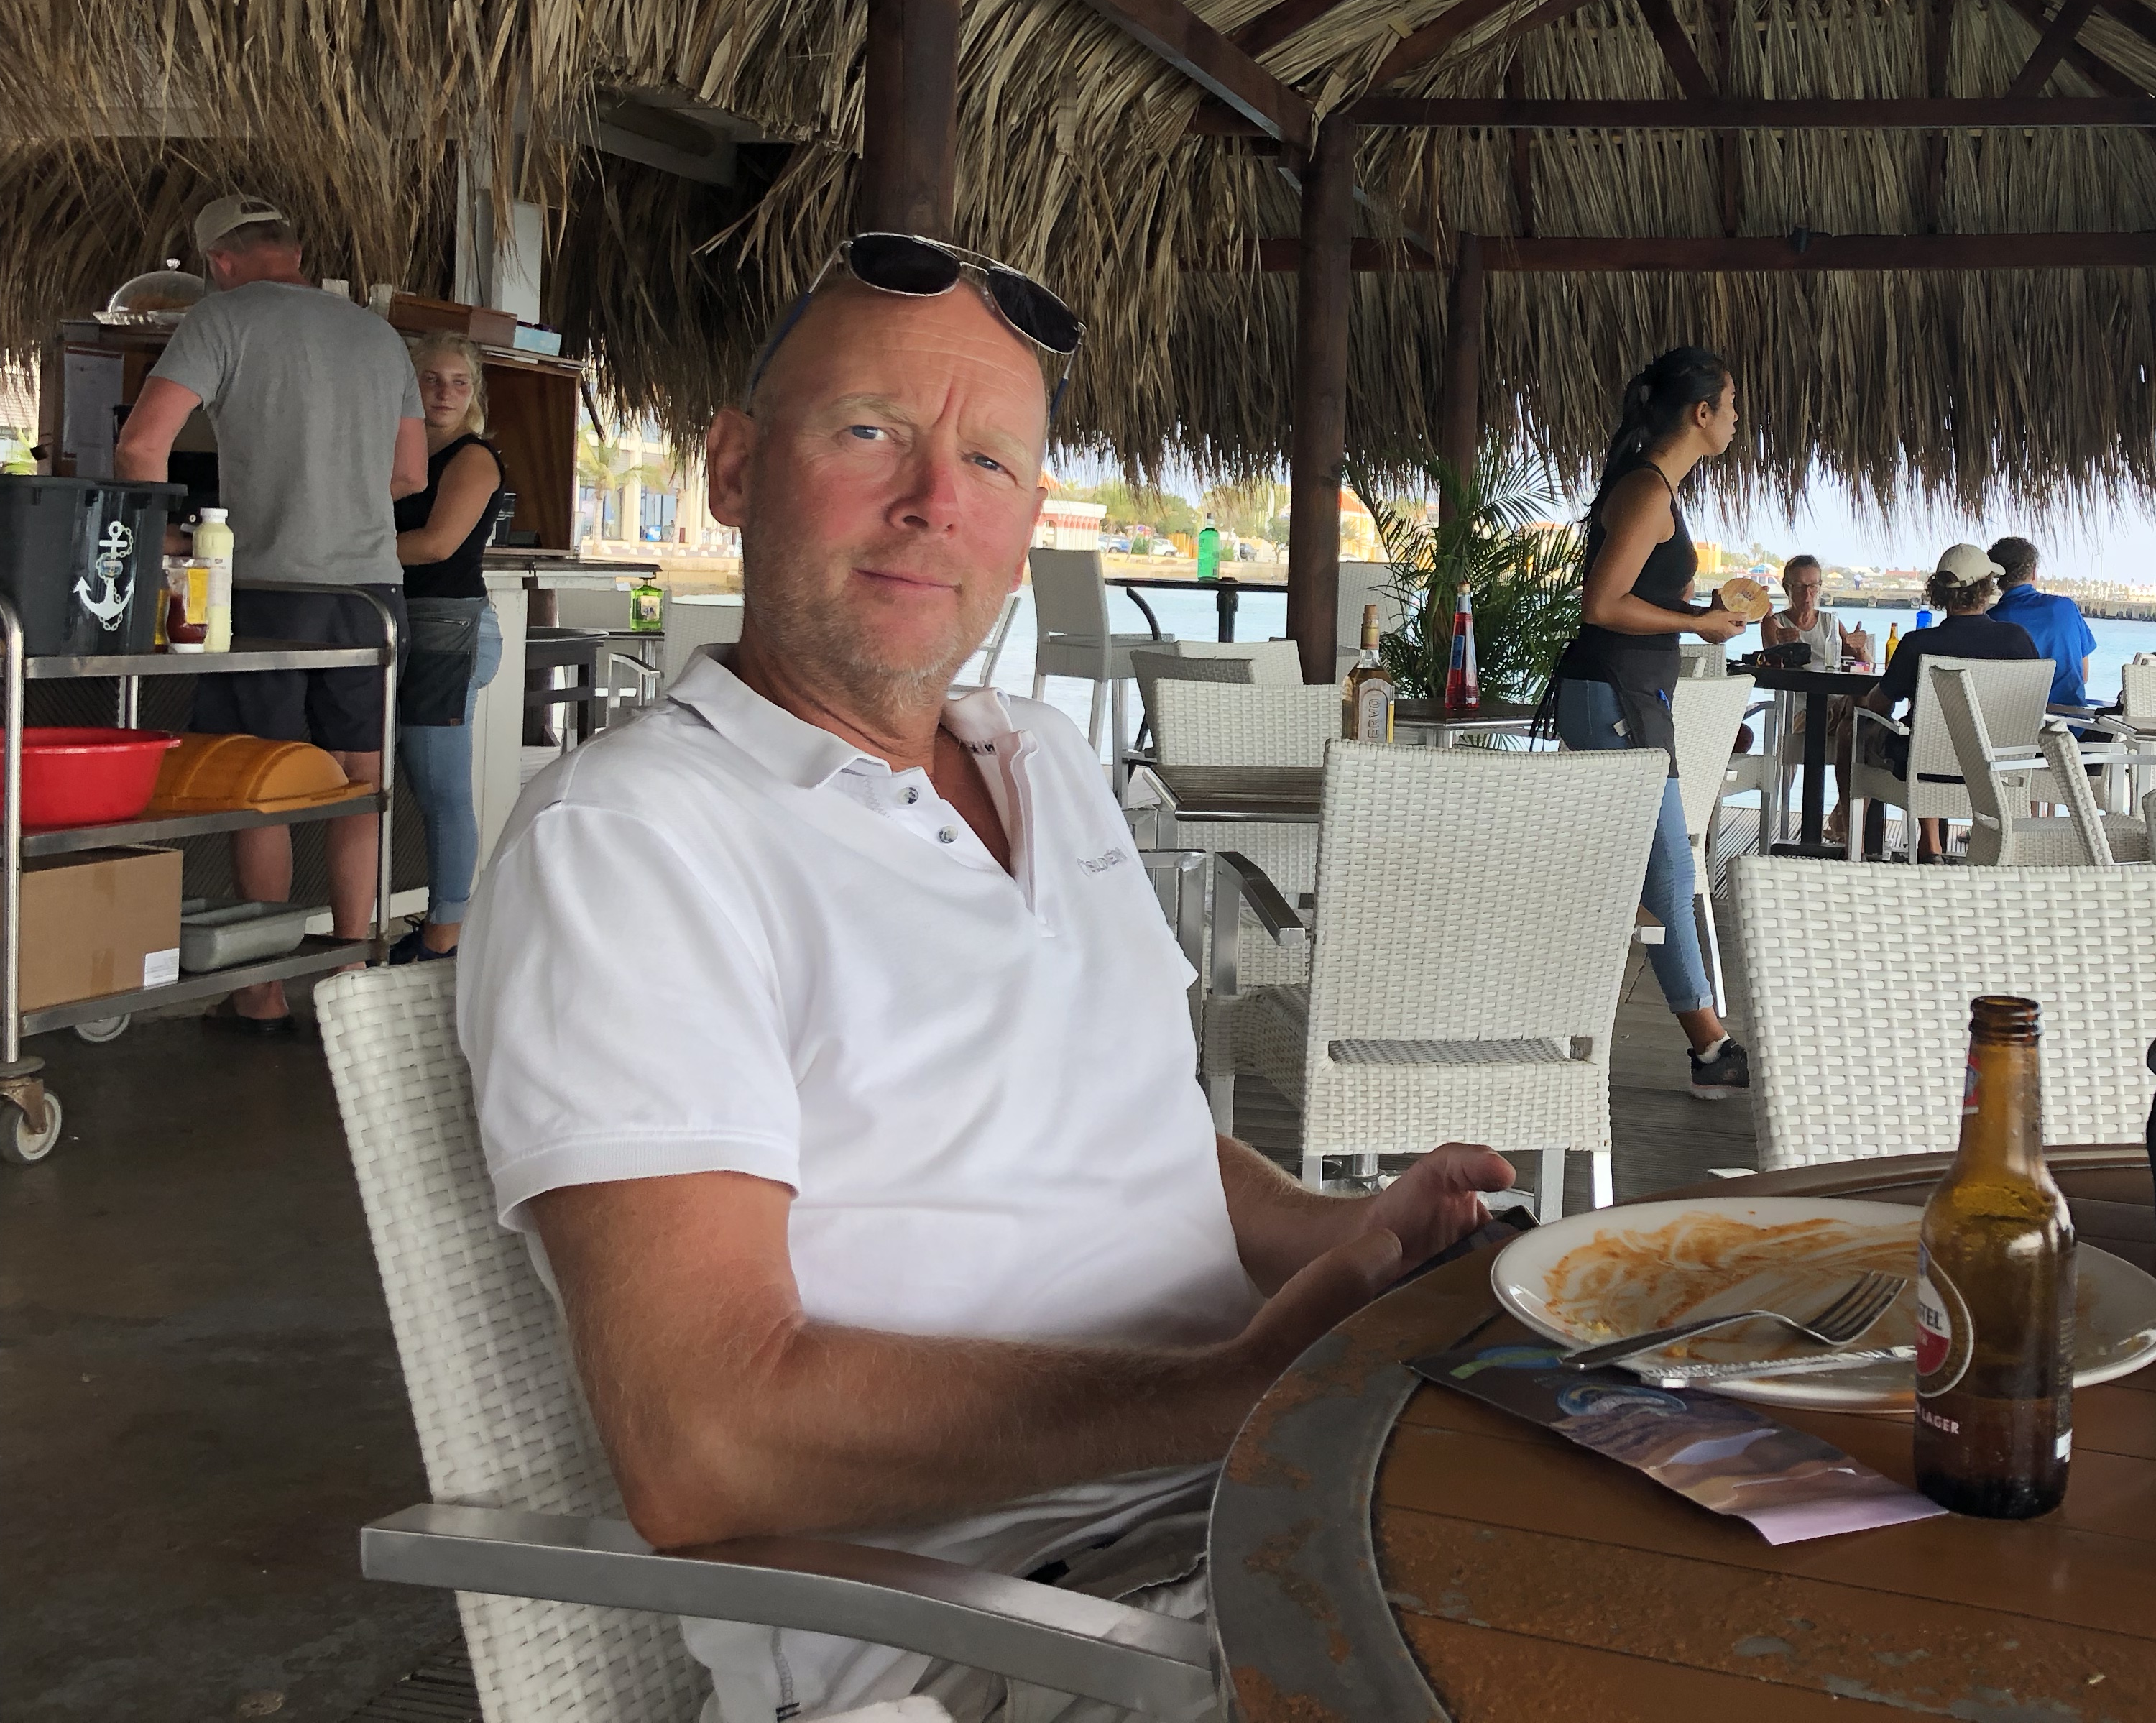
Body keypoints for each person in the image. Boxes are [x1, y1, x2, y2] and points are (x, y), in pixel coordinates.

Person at [460, 233, 1508, 1723]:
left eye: (991, 461)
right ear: (737, 470)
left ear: (1022, 529)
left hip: (1269, 1499)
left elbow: (1125, 1126)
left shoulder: (1048, 759)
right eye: (869, 431)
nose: (932, 501)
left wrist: (1350, 1232)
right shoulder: (634, 839)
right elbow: (706, 1443)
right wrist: (1225, 1385)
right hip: (996, 1635)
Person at [114, 194, 424, 1033]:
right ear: (295, 252)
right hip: (369, 596)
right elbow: (409, 473)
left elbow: (141, 445)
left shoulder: (222, 318)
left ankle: (261, 991)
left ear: (218, 262)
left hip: (262, 592)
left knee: (264, 781)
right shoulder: (378, 335)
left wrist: (166, 540)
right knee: (360, 784)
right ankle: (354, 973)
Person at [1541, 347, 1760, 1098]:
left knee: (1633, 867)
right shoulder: (1646, 490)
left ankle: (1571, 1017)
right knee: (1667, 868)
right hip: (1613, 695)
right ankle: (1711, 1048)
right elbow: (1602, 605)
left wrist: (1699, 613)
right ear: (1701, 413)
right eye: (1731, 404)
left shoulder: (1659, 488)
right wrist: (1696, 624)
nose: (1737, 418)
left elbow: (1638, 597)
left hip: (1627, 695)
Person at [390, 334, 507, 961]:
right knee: (411, 783)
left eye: (459, 382)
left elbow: (437, 545)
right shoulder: (401, 453)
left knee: (442, 790)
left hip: (448, 629)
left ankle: (445, 935)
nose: (444, 392)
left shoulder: (473, 457)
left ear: (474, 393)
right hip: (403, 621)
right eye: (431, 379)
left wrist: (341, 548)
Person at [1840, 543, 2041, 848]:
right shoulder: (2018, 640)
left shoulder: (1918, 644)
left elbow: (1879, 705)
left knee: (1851, 731)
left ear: (1940, 593)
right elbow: (2031, 706)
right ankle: (1945, 844)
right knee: (1923, 739)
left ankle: (1855, 842)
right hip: (1998, 773)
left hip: (1926, 770)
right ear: (1985, 590)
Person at [1987, 536, 2096, 712]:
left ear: (1997, 577)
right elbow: (2083, 676)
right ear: (2033, 572)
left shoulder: (1992, 619)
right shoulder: (2065, 608)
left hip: (2016, 724)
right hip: (2073, 722)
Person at [1760, 553, 1874, 670]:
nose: (1807, 594)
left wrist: (1861, 649)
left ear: (1820, 586)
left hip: (1827, 681)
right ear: (1786, 588)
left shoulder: (1830, 622)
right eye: (1799, 586)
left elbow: (1868, 667)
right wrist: (1782, 647)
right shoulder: (1774, 623)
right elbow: (1770, 666)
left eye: (1813, 586)